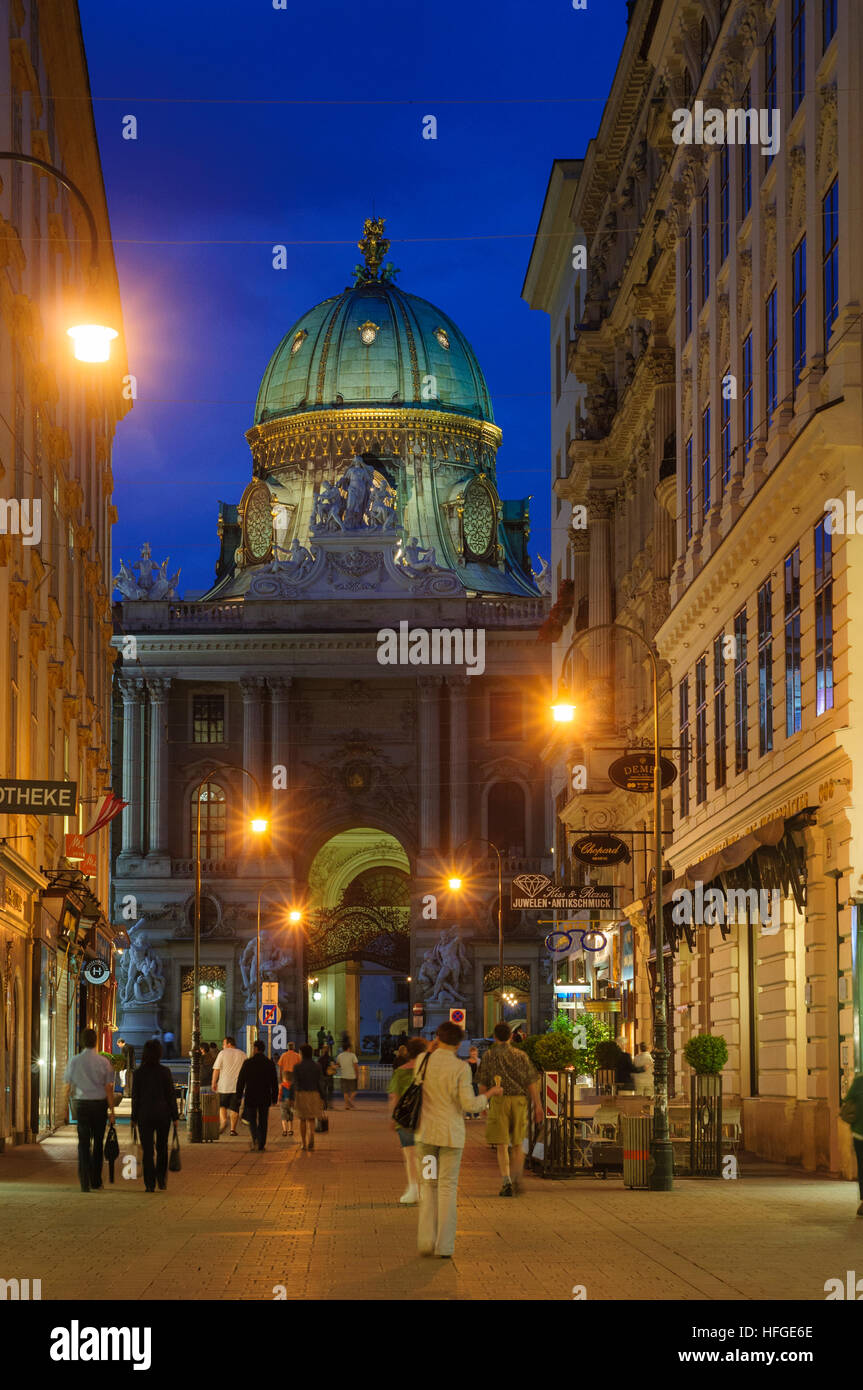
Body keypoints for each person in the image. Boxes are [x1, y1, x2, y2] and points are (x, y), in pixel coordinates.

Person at [414, 1021, 501, 1257]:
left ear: (437, 1038)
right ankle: (444, 1246)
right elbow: (468, 1104)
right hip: (450, 1137)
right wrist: (489, 1094)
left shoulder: (423, 1061)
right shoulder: (461, 1068)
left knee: (428, 1185)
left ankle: (425, 1240)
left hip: (426, 1136)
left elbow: (417, 1084)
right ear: (459, 1043)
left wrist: (432, 1047)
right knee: (447, 1188)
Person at [476, 1021, 542, 1197]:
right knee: (518, 1143)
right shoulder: (521, 1055)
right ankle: (517, 1176)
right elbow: (531, 1082)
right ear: (512, 1036)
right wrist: (538, 1106)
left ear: (495, 1037)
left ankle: (506, 1181)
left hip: (499, 1101)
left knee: (502, 1144)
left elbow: (482, 1082)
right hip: (519, 1101)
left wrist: (483, 1103)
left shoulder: (489, 1056)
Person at [63, 1027, 116, 1192]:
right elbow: (108, 1088)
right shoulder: (104, 1062)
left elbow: (68, 1086)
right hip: (99, 1105)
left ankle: (84, 1181)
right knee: (98, 1143)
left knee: (83, 1143)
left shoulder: (74, 1061)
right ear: (95, 1041)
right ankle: (95, 1180)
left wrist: (67, 1104)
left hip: (82, 1105)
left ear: (82, 1041)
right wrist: (112, 1111)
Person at [131, 1039, 179, 1192]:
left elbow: (135, 1097)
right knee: (162, 1147)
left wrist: (133, 1117)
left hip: (145, 1114)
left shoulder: (139, 1073)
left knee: (147, 1149)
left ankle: (149, 1183)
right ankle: (161, 1179)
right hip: (162, 1114)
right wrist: (175, 1116)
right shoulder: (165, 1071)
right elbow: (171, 1095)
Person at [387, 1037, 428, 1204]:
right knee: (428, 1156)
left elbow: (393, 1097)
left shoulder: (401, 1071)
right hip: (428, 1118)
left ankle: (413, 1190)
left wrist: (392, 1117)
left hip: (406, 1120)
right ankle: (429, 1189)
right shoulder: (430, 1071)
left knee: (410, 1156)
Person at [235, 1040, 279, 1152]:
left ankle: (255, 1138)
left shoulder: (248, 1063)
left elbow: (241, 1080)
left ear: (255, 1049)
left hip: (251, 1095)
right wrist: (274, 1097)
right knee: (263, 1120)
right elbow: (274, 1082)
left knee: (252, 1119)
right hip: (265, 1095)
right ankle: (262, 1143)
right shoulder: (269, 1063)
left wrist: (239, 1095)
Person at [292, 1045, 326, 1150]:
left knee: (302, 1119)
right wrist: (323, 1096)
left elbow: (295, 1083)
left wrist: (291, 1098)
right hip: (314, 1094)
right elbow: (320, 1082)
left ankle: (303, 1142)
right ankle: (311, 1135)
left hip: (301, 1094)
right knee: (311, 1118)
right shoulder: (317, 1066)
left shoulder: (297, 1067)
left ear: (301, 1053)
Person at [212, 1036, 246, 1135]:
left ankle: (223, 1122)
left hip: (223, 1086)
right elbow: (246, 1071)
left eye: (224, 1044)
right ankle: (233, 1129)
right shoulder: (243, 1054)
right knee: (235, 1108)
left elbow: (216, 1069)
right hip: (238, 1087)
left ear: (229, 1044)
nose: (223, 1046)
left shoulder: (222, 1053)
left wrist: (214, 1082)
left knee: (222, 1106)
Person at [841, 1072, 863, 1216]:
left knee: (862, 1166)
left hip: (859, 1133)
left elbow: (847, 1101)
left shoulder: (859, 1081)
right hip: (860, 1134)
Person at [336, 1040, 359, 1109]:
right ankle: (349, 1101)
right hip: (352, 1076)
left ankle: (346, 1105)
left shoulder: (339, 1056)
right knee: (354, 1091)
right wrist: (357, 1075)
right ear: (349, 1048)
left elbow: (338, 1065)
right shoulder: (352, 1055)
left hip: (343, 1076)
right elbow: (355, 1066)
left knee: (345, 1092)